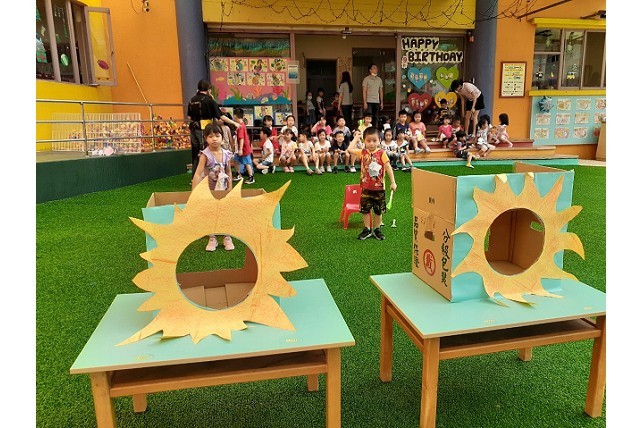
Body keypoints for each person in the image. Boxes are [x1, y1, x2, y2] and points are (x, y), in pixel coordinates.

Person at [345, 126, 398, 241]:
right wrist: (356, 138)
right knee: (365, 210)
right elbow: (349, 149)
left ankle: (377, 229)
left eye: (374, 140)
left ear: (379, 140)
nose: (372, 143)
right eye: (368, 141)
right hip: (365, 188)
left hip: (379, 189)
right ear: (364, 141)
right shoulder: (362, 152)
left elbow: (388, 167)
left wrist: (393, 182)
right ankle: (367, 229)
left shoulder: (382, 153)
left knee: (378, 211)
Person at [191, 123, 235, 251]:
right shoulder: (205, 155)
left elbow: (229, 172)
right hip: (209, 190)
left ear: (222, 137)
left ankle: (227, 236)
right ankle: (212, 238)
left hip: (223, 189)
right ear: (205, 138)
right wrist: (194, 192)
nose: (214, 139)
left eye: (217, 136)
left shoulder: (226, 154)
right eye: (210, 136)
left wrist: (230, 189)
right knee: (210, 213)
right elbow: (198, 173)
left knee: (225, 212)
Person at [188, 79, 238, 181]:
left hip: (193, 128)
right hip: (204, 129)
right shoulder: (209, 100)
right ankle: (204, 177)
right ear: (208, 89)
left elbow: (189, 117)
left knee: (196, 154)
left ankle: (194, 177)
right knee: (205, 153)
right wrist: (234, 123)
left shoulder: (192, 100)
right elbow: (221, 116)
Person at [231, 107, 255, 184]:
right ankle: (238, 174)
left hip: (244, 148)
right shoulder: (241, 125)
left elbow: (241, 138)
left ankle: (251, 177)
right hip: (242, 148)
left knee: (247, 163)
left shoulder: (241, 126)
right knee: (235, 160)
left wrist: (240, 149)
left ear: (235, 116)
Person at [362, 63, 384, 128]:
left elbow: (380, 91)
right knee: (369, 117)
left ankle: (375, 130)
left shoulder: (379, 79)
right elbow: (364, 91)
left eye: (376, 68)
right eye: (374, 68)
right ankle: (368, 129)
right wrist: (365, 102)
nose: (376, 69)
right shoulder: (366, 79)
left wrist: (381, 102)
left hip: (377, 101)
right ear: (370, 70)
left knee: (376, 117)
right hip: (369, 101)